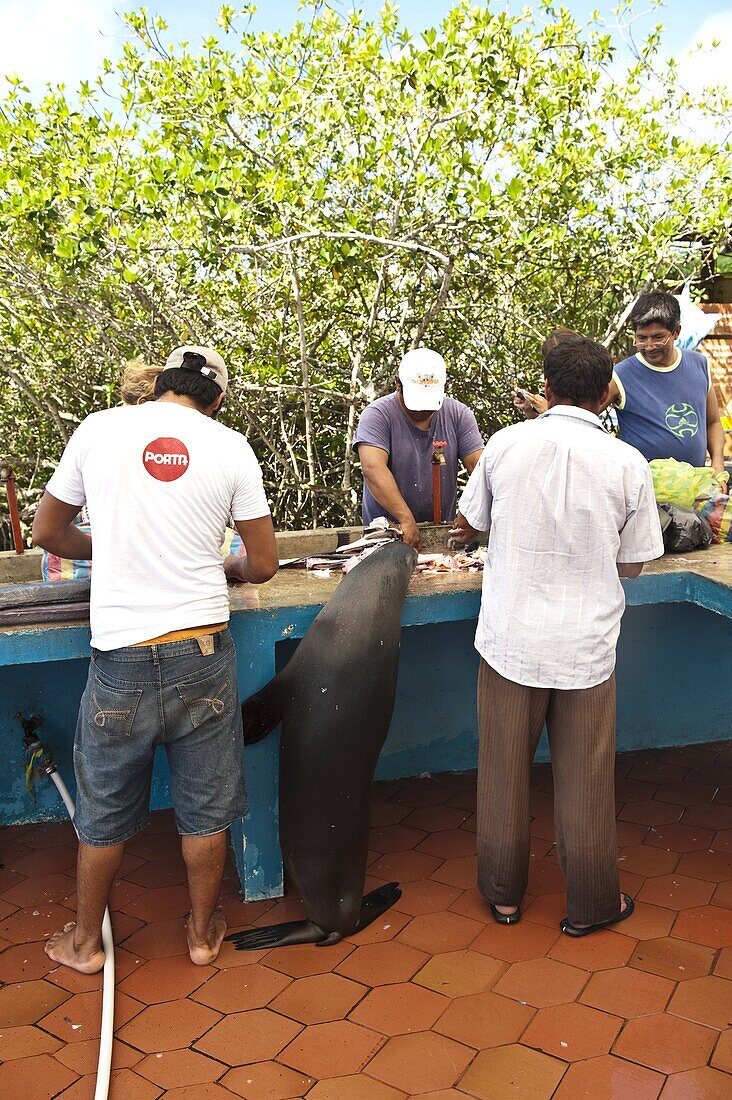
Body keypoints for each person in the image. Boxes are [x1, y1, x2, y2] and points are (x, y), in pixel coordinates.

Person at [32, 345, 278, 972]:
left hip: (122, 657)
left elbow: (48, 534)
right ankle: (200, 934)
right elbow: (264, 564)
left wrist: (107, 547)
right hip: (200, 650)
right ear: (217, 398)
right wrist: (228, 566)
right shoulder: (231, 448)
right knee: (206, 805)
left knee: (103, 811)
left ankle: (86, 944)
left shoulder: (99, 429)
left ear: (161, 383)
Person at [451, 336, 664, 935]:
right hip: (585, 648)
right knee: (588, 778)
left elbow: (470, 524)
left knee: (502, 771)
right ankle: (593, 904)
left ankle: (504, 897)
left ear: (545, 388)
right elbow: (634, 562)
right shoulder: (627, 463)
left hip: (509, 642)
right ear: (605, 395)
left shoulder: (503, 445)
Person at [516, 295, 728, 488]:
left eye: (658, 337)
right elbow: (577, 419)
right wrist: (540, 413)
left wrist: (717, 464)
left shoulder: (699, 364)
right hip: (646, 491)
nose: (649, 345)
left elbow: (713, 422)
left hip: (696, 488)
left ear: (676, 332)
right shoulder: (620, 375)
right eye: (641, 338)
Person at [354, 348, 484, 548]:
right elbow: (372, 468)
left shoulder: (459, 415)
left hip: (442, 536)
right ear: (398, 383)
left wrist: (475, 514)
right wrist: (405, 518)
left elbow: (480, 468)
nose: (423, 409)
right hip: (386, 536)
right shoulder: (377, 415)